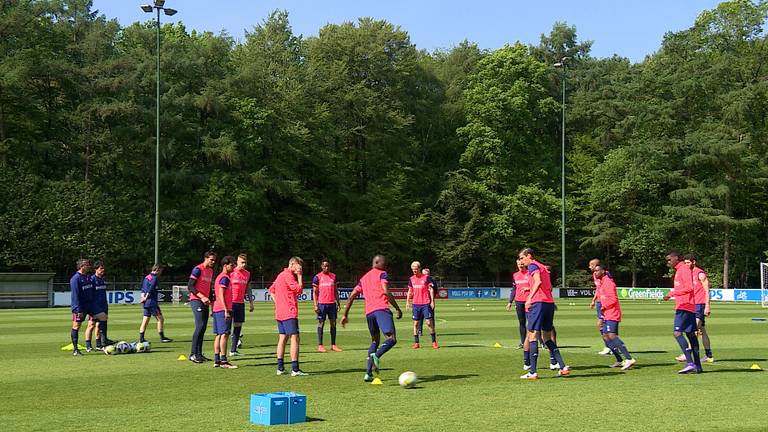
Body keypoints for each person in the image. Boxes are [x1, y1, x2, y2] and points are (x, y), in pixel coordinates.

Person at [341, 254, 403, 382]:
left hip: (369, 313)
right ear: (377, 262)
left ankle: (368, 374)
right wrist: (397, 308)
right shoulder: (382, 274)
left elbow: (352, 295)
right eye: (384, 263)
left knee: (375, 341)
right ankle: (377, 355)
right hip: (381, 309)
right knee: (391, 339)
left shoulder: (363, 278)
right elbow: (386, 291)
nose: (385, 266)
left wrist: (345, 314)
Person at [518, 248, 570, 379]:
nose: (521, 261)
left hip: (538, 303)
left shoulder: (533, 265)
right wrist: (529, 288)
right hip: (548, 303)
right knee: (547, 337)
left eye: (522, 258)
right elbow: (549, 287)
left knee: (532, 335)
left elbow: (538, 281)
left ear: (529, 256)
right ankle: (563, 366)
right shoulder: (543, 267)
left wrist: (529, 297)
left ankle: (533, 372)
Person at [662, 251, 703, 374]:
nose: (668, 262)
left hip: (685, 306)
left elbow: (690, 287)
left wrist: (672, 293)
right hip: (687, 306)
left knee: (677, 333)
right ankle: (698, 366)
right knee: (691, 335)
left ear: (676, 258)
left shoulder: (683, 269)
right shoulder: (680, 270)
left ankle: (690, 363)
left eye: (669, 259)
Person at [269, 256, 308, 376]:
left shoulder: (281, 275)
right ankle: (295, 369)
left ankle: (280, 368)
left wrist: (279, 303)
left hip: (280, 312)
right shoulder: (289, 276)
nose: (299, 267)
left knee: (282, 338)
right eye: (298, 265)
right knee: (295, 338)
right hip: (289, 311)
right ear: (293, 264)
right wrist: (300, 276)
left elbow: (271, 290)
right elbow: (298, 289)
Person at [594, 264, 636, 370]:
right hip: (606, 313)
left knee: (612, 335)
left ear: (603, 271)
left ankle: (629, 358)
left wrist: (604, 307)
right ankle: (619, 360)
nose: (595, 273)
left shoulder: (608, 282)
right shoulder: (602, 282)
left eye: (598, 270)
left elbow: (613, 299)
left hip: (612, 313)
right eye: (595, 271)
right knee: (605, 336)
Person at [679, 255, 714, 363]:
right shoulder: (687, 274)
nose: (686, 265)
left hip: (700, 305)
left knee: (692, 330)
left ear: (694, 262)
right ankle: (709, 355)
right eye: (685, 263)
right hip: (691, 305)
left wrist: (707, 305)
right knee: (702, 331)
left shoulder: (700, 273)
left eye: (688, 262)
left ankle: (687, 353)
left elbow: (707, 290)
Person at [188, 251, 216, 363]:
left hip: (205, 301)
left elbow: (209, 288)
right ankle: (193, 354)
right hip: (196, 300)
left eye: (214, 260)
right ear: (205, 258)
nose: (213, 262)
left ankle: (199, 354)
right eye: (211, 259)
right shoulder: (198, 269)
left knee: (203, 327)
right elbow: (190, 286)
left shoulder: (210, 271)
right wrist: (201, 296)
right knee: (200, 326)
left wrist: (211, 302)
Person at [212, 256, 238, 369]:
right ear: (225, 265)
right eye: (232, 265)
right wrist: (226, 309)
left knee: (219, 334)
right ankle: (223, 361)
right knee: (224, 334)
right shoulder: (225, 278)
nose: (234, 267)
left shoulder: (220, 277)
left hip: (217, 309)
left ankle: (217, 359)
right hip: (223, 309)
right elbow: (221, 294)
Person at [406, 261, 438, 349]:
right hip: (416, 304)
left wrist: (432, 301)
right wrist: (408, 301)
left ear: (419, 268)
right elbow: (410, 291)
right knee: (416, 324)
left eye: (416, 269)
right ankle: (416, 343)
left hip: (426, 303)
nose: (414, 271)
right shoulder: (411, 279)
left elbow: (431, 290)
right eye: (413, 270)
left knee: (428, 322)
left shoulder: (426, 278)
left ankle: (434, 341)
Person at [312, 259, 342, 352]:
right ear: (321, 266)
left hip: (332, 304)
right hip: (322, 304)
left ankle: (333, 345)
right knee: (321, 323)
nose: (326, 267)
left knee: (333, 324)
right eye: (325, 266)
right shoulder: (317, 277)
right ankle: (320, 345)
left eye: (328, 266)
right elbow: (315, 292)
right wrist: (315, 305)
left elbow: (335, 291)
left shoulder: (334, 276)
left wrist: (338, 302)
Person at [139, 264, 172, 343]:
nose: (161, 272)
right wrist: (146, 297)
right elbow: (150, 289)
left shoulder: (147, 277)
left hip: (146, 303)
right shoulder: (154, 278)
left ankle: (141, 338)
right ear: (157, 269)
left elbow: (143, 289)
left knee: (145, 320)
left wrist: (143, 298)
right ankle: (162, 337)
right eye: (160, 270)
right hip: (152, 302)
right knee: (160, 319)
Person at [84, 261, 113, 351]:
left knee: (99, 325)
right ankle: (88, 345)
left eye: (103, 268)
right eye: (101, 268)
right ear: (95, 269)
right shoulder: (92, 279)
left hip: (103, 305)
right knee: (91, 325)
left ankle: (98, 344)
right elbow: (89, 294)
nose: (103, 270)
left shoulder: (102, 279)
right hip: (94, 307)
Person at [229, 253, 253, 356]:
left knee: (238, 326)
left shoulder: (247, 274)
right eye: (242, 262)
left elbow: (248, 288)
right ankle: (221, 354)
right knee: (226, 329)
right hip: (230, 302)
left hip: (240, 303)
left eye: (245, 262)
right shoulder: (231, 272)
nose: (243, 264)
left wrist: (251, 302)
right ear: (237, 263)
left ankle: (233, 350)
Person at [588, 258, 612, 356]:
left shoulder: (606, 275)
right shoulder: (595, 275)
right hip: (599, 302)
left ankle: (610, 346)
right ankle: (609, 346)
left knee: (603, 324)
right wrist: (594, 300)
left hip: (605, 302)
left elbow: (609, 288)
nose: (589, 267)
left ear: (595, 265)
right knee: (601, 325)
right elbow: (598, 289)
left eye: (591, 265)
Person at [69, 259, 93, 356]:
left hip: (90, 306)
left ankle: (100, 344)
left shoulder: (88, 277)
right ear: (82, 266)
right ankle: (75, 349)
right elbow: (75, 295)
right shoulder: (76, 278)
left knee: (100, 319)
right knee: (76, 326)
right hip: (80, 307)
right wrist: (78, 309)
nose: (89, 266)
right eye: (87, 265)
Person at [506, 258, 530, 350]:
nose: (520, 266)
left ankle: (539, 341)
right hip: (519, 301)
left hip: (529, 301)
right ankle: (523, 342)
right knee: (522, 323)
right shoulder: (515, 275)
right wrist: (510, 302)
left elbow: (535, 286)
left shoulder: (530, 274)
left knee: (531, 323)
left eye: (522, 264)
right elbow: (514, 289)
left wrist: (528, 289)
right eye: (519, 264)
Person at [423, 267, 437, 336]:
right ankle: (419, 331)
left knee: (431, 317)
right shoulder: (420, 280)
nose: (426, 276)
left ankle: (432, 331)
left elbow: (435, 290)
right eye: (424, 274)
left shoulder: (432, 281)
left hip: (429, 301)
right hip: (421, 301)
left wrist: (432, 299)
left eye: (427, 274)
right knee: (419, 318)